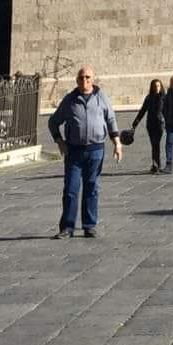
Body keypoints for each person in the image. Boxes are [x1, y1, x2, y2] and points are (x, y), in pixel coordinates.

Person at [48, 66, 122, 239]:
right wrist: (59, 141)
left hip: (96, 149)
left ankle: (89, 225)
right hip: (74, 151)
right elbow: (53, 122)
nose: (84, 81)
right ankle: (67, 227)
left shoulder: (101, 97)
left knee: (92, 188)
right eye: (81, 78)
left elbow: (110, 120)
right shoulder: (70, 100)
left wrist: (117, 143)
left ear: (93, 79)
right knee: (71, 189)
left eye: (88, 77)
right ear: (77, 80)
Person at [131, 78, 165, 174]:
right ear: (152, 87)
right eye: (155, 86)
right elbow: (143, 111)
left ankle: (156, 165)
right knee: (153, 144)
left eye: (158, 86)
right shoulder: (149, 98)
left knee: (156, 143)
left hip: (160, 124)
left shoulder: (164, 97)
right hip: (150, 124)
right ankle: (156, 165)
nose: (157, 88)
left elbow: (167, 110)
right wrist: (135, 122)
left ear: (161, 86)